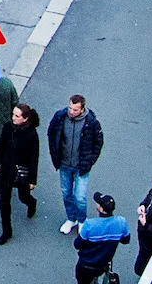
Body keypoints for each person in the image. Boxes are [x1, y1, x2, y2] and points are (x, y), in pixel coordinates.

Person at [45, 94, 104, 229]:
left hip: (81, 166)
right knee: (66, 193)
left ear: (82, 109)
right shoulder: (60, 117)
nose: (71, 112)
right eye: (70, 108)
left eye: (75, 110)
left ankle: (82, 220)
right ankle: (71, 218)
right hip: (64, 164)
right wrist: (55, 155)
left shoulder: (91, 122)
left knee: (80, 197)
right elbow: (51, 133)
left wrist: (90, 161)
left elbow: (98, 142)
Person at [0, 101, 39, 243]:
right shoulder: (8, 127)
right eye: (13, 114)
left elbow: (34, 158)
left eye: (17, 116)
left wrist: (32, 180)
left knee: (23, 197)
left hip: (22, 171)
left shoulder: (31, 134)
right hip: (7, 168)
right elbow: (1, 146)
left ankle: (31, 203)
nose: (13, 118)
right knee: (4, 200)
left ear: (25, 119)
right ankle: (7, 230)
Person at [67, 191, 134, 279]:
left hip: (86, 265)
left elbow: (77, 244)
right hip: (103, 264)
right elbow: (125, 240)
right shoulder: (121, 222)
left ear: (101, 209)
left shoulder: (90, 224)